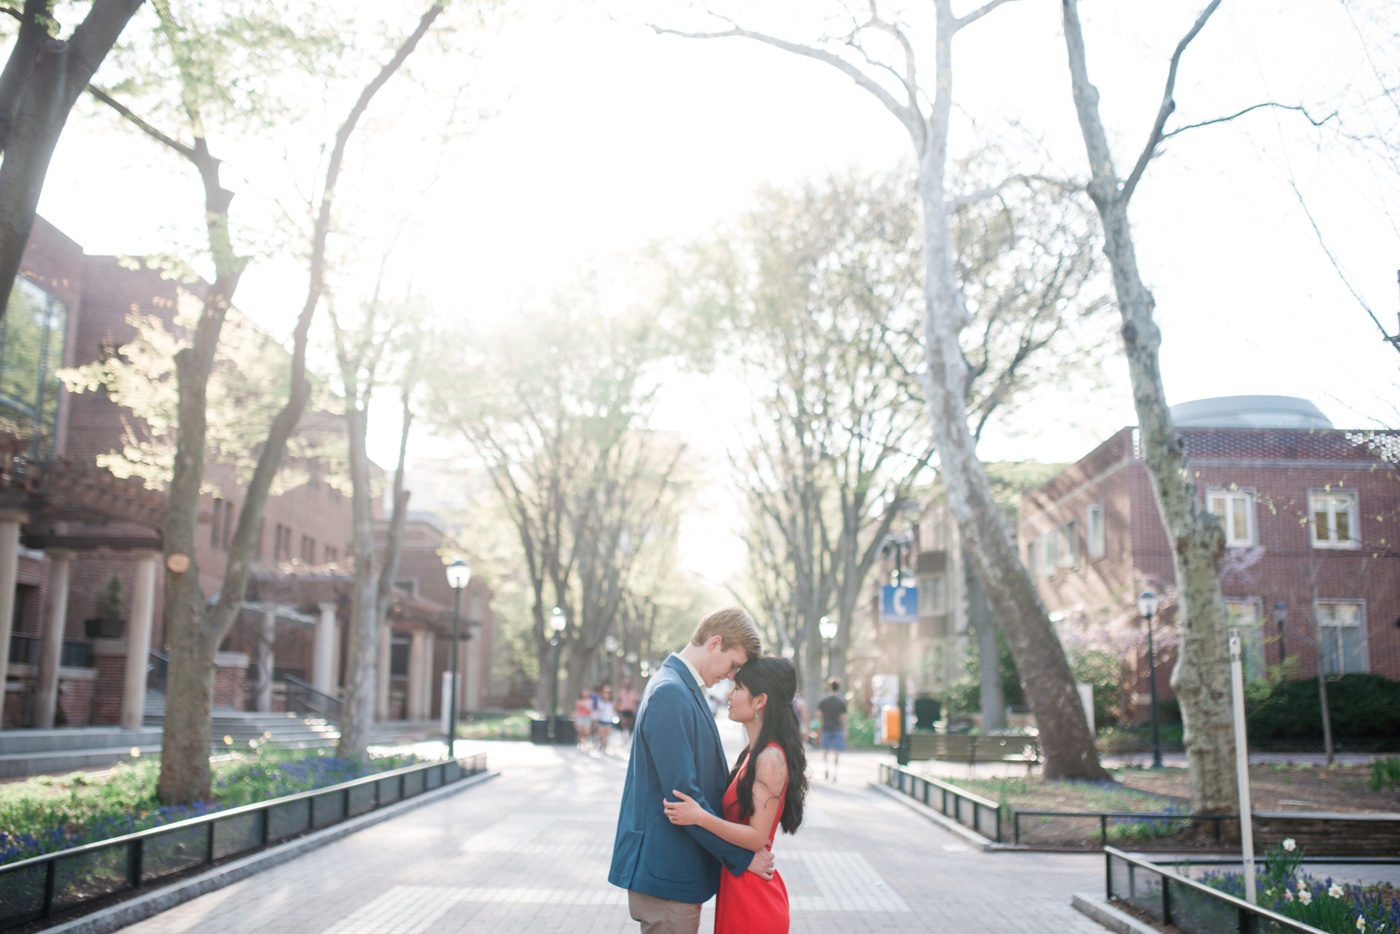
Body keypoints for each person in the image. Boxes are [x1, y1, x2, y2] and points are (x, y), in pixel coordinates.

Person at [609, 607, 773, 934]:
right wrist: (742, 858)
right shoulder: (671, 691)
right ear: (715, 643)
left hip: (674, 872)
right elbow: (683, 799)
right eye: (734, 664)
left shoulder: (680, 687)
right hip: (667, 874)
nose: (731, 675)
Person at [665, 656, 808, 934]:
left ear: (759, 701)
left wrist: (700, 817)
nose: (729, 695)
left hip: (753, 899)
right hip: (739, 888)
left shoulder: (769, 758)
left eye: (738, 688)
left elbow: (756, 837)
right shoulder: (753, 754)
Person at [816, 678, 848, 782]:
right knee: (837, 751)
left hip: (826, 728)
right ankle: (835, 772)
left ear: (829, 687)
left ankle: (826, 768)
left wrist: (820, 725)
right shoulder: (841, 702)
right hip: (837, 728)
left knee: (825, 750)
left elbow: (819, 714)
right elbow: (844, 717)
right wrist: (846, 729)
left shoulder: (824, 701)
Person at [594, 684, 617, 752]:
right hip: (601, 719)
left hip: (608, 720)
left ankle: (604, 747)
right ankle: (601, 744)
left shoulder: (612, 702)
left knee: (606, 735)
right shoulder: (600, 702)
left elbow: (614, 711)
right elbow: (597, 711)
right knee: (602, 734)